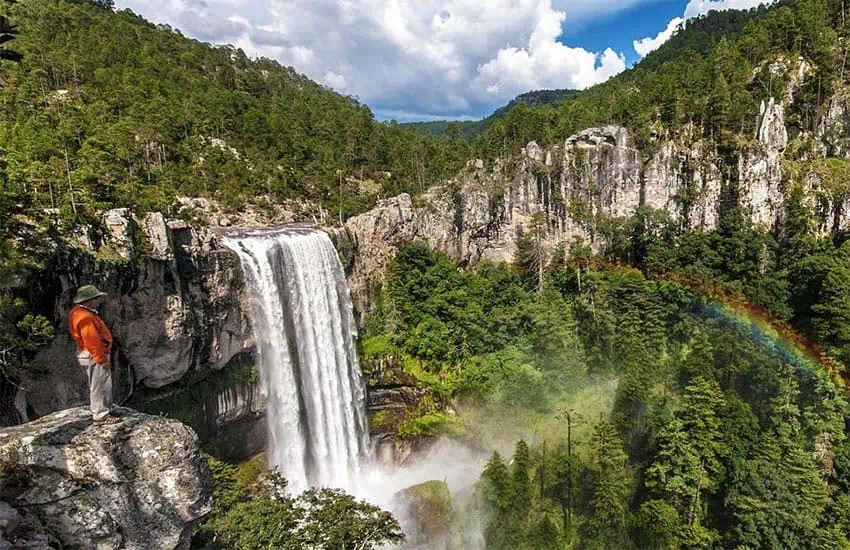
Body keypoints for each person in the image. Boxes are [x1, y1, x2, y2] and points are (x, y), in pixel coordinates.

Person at [68, 285, 117, 423]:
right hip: (94, 354)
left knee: (101, 382)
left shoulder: (76, 312)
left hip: (88, 353)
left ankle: (106, 408)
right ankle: (101, 415)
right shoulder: (85, 317)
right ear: (89, 300)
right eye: (96, 298)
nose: (98, 301)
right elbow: (92, 340)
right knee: (99, 384)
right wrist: (101, 359)